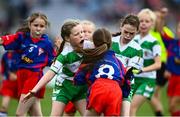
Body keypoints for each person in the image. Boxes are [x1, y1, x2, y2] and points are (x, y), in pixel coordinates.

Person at [22, 19, 87, 116]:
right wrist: (35, 89)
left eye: (82, 32)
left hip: (80, 88)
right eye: (77, 34)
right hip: (64, 88)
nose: (82, 35)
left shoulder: (90, 47)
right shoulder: (65, 55)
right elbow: (50, 74)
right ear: (68, 38)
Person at [0, 12, 56, 116]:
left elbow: (53, 61)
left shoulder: (46, 43)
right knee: (34, 113)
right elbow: (5, 40)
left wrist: (59, 49)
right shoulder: (21, 37)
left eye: (42, 26)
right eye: (36, 25)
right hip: (21, 76)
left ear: (45, 27)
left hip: (34, 77)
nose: (38, 28)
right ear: (30, 25)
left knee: (20, 114)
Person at [74, 28, 129, 116]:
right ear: (110, 43)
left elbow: (78, 79)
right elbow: (126, 80)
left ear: (94, 43)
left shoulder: (91, 58)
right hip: (115, 91)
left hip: (98, 88)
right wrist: (125, 94)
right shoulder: (118, 61)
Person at [130, 8, 161, 116]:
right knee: (125, 107)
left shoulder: (154, 42)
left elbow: (158, 64)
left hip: (147, 81)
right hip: (133, 79)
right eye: (141, 21)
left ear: (152, 23)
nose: (143, 24)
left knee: (131, 107)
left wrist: (142, 70)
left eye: (147, 21)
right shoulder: (134, 39)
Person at [111, 14, 143, 116]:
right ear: (121, 27)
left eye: (132, 33)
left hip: (126, 85)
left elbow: (129, 71)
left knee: (125, 114)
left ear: (137, 31)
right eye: (126, 32)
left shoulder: (137, 49)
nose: (128, 35)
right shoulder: (110, 42)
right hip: (108, 83)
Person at [64, 19, 96, 116]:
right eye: (83, 31)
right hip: (72, 84)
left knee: (90, 111)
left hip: (87, 86)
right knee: (68, 112)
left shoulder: (94, 49)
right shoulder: (70, 48)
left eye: (89, 32)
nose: (85, 34)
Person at [150, 7, 174, 116]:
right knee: (155, 93)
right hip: (153, 65)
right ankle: (158, 112)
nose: (155, 21)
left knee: (150, 92)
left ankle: (160, 113)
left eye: (157, 19)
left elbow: (172, 52)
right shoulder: (149, 32)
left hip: (162, 66)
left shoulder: (166, 33)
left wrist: (169, 68)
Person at [157, 17, 180, 116]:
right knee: (171, 107)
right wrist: (162, 18)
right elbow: (159, 31)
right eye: (179, 28)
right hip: (172, 78)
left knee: (173, 104)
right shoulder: (172, 42)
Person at [0, 51, 19, 117]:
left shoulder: (20, 54)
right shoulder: (5, 55)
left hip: (19, 85)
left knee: (26, 108)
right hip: (8, 83)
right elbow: (2, 69)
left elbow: (26, 66)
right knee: (4, 106)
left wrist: (17, 76)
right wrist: (2, 82)